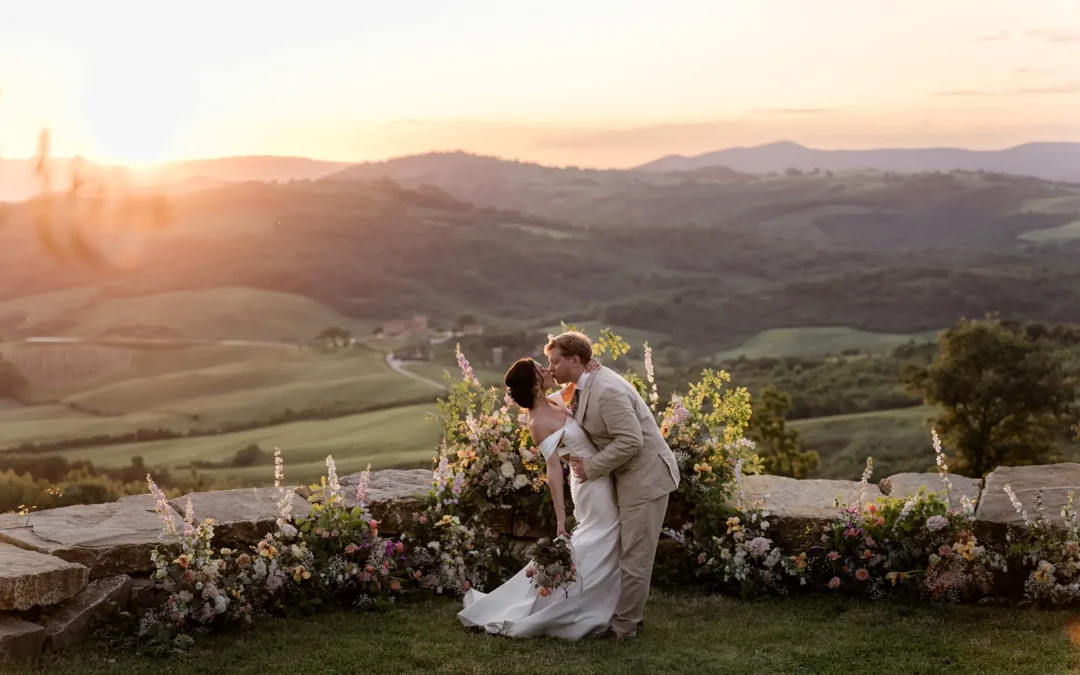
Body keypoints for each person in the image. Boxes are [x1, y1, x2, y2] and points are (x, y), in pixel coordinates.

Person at [457, 357, 620, 639]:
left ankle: (601, 602)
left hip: (599, 475)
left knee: (602, 540)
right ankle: (578, 606)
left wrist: (591, 369)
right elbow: (554, 469)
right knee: (601, 538)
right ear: (534, 383)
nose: (547, 369)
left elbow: (580, 389)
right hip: (588, 486)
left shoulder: (554, 400)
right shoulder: (538, 421)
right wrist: (559, 519)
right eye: (540, 369)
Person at [546, 331, 680, 640]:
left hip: (646, 479)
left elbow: (631, 441)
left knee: (635, 556)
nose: (550, 367)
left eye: (555, 361)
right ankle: (621, 616)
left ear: (575, 360)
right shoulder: (585, 382)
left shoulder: (605, 389)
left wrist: (590, 467)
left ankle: (624, 628)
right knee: (624, 550)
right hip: (627, 478)